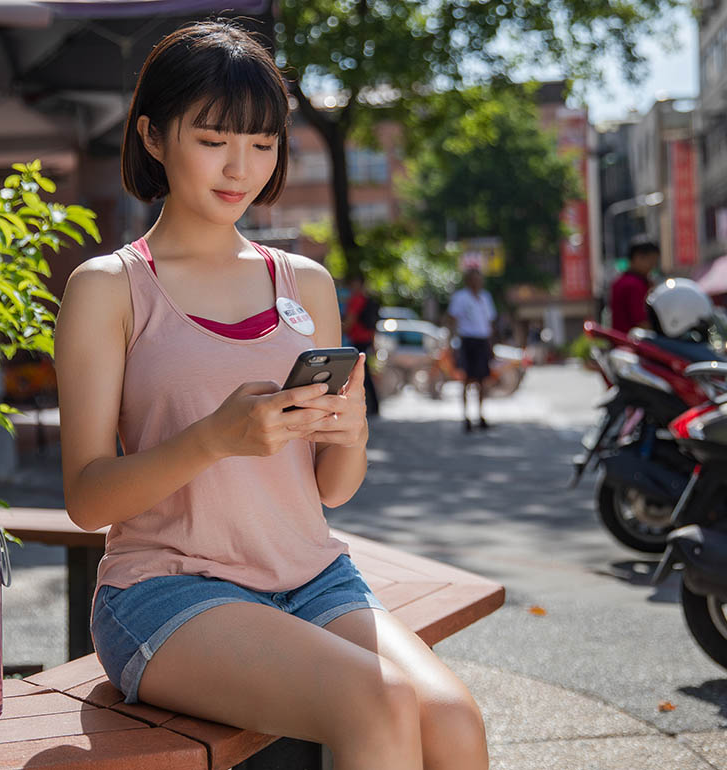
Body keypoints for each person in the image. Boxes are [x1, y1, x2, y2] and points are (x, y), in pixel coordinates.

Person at [53, 21, 487, 770]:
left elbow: (332, 490)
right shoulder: (109, 288)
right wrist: (212, 439)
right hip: (168, 589)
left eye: (263, 143)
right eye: (214, 139)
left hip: (312, 576)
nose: (241, 167)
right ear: (154, 137)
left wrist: (347, 435)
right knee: (375, 701)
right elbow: (88, 500)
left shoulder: (304, 282)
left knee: (452, 719)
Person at [445, 269, 498, 433]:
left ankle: (480, 415)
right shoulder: (460, 298)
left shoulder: (485, 297)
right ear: (468, 281)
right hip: (467, 341)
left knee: (483, 381)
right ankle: (466, 416)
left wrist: (491, 345)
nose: (477, 282)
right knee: (466, 380)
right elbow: (452, 319)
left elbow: (489, 323)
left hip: (482, 341)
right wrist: (453, 344)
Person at [341, 272, 380, 416]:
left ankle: (368, 406)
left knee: (359, 375)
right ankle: (373, 406)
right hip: (366, 340)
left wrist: (338, 331)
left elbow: (350, 321)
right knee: (364, 374)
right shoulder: (366, 299)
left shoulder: (356, 300)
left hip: (357, 341)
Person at [610, 240, 660, 333]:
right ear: (638, 258)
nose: (652, 267)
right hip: (634, 342)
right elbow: (642, 322)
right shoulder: (634, 285)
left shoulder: (621, 281)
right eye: (651, 261)